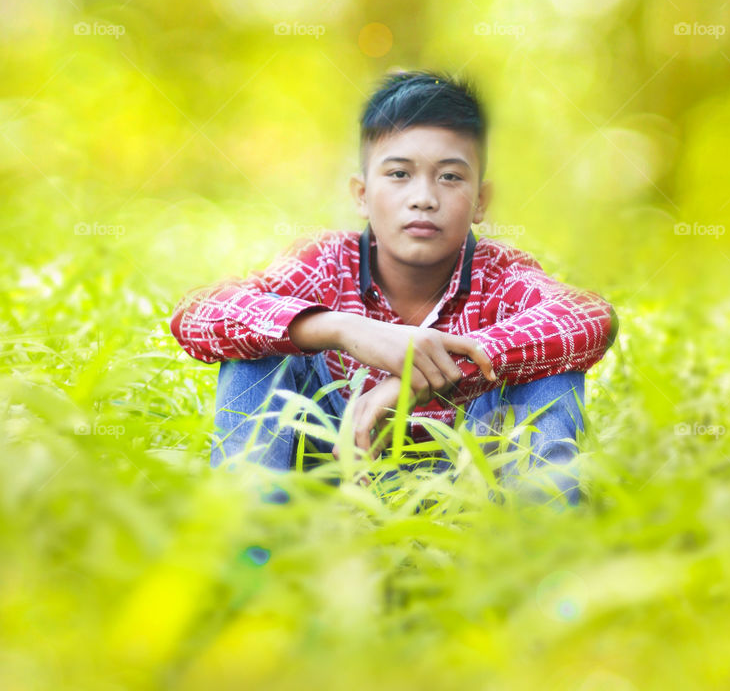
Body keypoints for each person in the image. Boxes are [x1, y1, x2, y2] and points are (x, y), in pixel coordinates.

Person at [169, 68, 619, 514]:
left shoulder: (499, 276)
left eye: (450, 177)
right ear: (362, 194)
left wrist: (419, 376)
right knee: (259, 342)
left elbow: (589, 317)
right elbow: (197, 313)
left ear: (481, 201)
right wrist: (342, 329)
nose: (424, 197)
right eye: (400, 174)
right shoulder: (326, 263)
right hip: (333, 468)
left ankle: (540, 545)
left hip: (469, 476)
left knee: (548, 362)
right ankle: (248, 544)